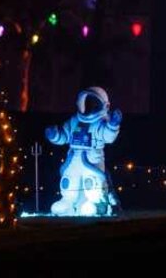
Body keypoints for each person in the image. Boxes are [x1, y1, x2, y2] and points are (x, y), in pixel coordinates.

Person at [46, 86, 122, 216]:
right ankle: (67, 203)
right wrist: (54, 135)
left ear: (104, 105)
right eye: (86, 102)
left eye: (93, 103)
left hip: (93, 161)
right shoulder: (74, 121)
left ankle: (97, 204)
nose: (89, 106)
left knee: (92, 184)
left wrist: (113, 125)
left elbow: (107, 136)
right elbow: (65, 136)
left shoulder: (101, 123)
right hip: (74, 160)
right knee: (69, 183)